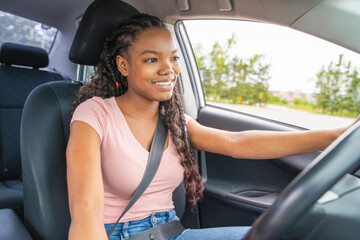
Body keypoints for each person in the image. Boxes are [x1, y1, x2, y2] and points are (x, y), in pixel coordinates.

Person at [66, 14, 359, 240]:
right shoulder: (94, 114)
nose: (169, 69)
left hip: (174, 232)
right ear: (124, 65)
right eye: (152, 59)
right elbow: (86, 208)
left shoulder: (174, 120)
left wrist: (338, 136)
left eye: (173, 58)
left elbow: (236, 142)